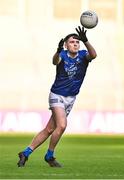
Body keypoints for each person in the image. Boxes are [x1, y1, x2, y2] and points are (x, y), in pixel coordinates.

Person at [17, 26, 97, 168]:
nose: (75, 44)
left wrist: (87, 41)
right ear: (66, 45)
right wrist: (58, 51)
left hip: (71, 98)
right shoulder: (63, 55)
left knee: (49, 129)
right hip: (57, 95)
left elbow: (94, 55)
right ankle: (49, 156)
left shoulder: (83, 55)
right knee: (62, 125)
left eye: (77, 42)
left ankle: (26, 152)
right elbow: (55, 61)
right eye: (72, 42)